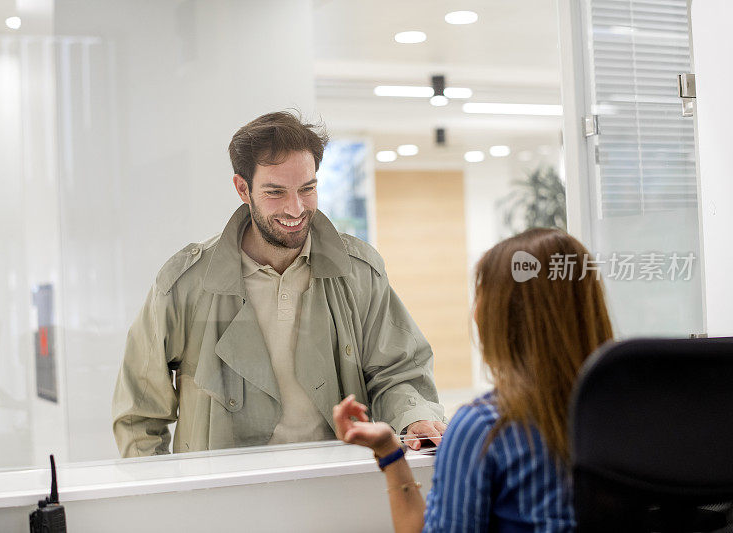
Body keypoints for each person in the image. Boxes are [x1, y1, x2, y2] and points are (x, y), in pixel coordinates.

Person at [112, 110, 446, 457]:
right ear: (243, 188)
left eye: (308, 188)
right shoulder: (185, 282)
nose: (296, 208)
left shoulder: (358, 271)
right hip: (226, 495)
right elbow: (139, 416)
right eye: (275, 192)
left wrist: (415, 418)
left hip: (335, 483)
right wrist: (170, 499)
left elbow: (398, 370)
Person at [333, 228, 614, 532]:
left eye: (481, 295)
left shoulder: (484, 428)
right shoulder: (632, 415)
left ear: (497, 318)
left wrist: (389, 453)